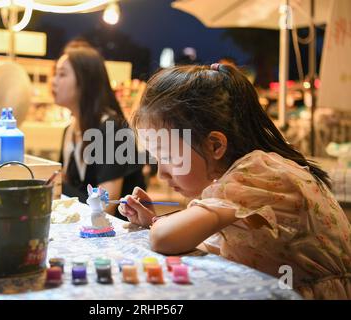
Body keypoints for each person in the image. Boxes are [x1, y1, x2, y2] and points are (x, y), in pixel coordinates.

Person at [118, 63, 351, 300]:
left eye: (167, 157)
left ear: (215, 145)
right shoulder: (246, 176)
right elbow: (201, 240)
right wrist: (155, 220)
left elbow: (163, 239)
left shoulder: (258, 174)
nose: (161, 174)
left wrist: (159, 227)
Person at [52, 46, 146, 218]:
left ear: (85, 81)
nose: (54, 81)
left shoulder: (113, 129)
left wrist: (55, 184)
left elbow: (106, 205)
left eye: (62, 74)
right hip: (85, 229)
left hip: (117, 234)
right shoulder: (69, 129)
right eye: (55, 73)